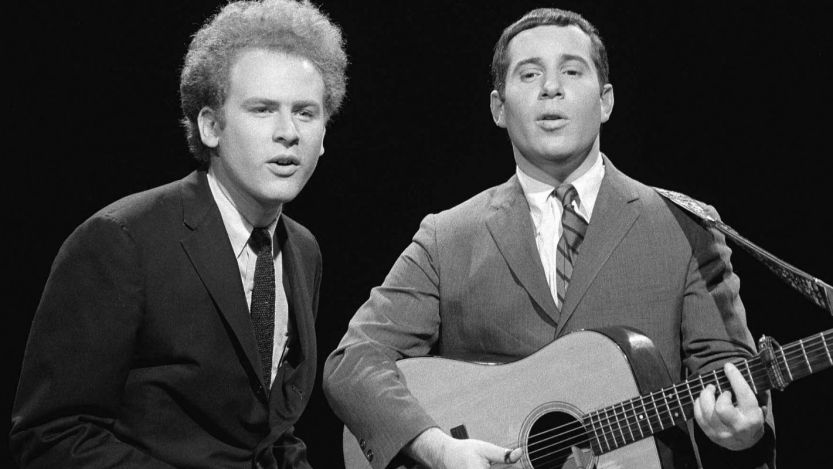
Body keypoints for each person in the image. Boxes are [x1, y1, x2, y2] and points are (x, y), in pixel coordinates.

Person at [324, 8, 774, 469]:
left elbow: (732, 374)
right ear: (499, 108)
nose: (551, 87)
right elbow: (353, 362)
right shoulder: (448, 237)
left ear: (605, 101)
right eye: (530, 73)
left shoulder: (684, 227)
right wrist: (436, 447)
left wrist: (743, 433)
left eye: (572, 71)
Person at [10, 1, 346, 467]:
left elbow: (268, 434)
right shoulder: (121, 241)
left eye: (306, 113)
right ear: (210, 126)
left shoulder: (303, 251)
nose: (288, 133)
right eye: (263, 109)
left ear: (325, 134)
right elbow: (49, 436)